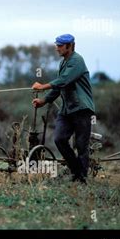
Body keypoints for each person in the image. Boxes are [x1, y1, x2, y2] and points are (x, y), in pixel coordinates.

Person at [31, 34, 95, 183]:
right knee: (59, 139)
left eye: (60, 45)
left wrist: (42, 86)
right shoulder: (63, 63)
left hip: (81, 109)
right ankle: (76, 172)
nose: (57, 48)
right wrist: (44, 101)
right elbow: (60, 86)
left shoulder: (77, 61)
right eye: (57, 45)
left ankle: (82, 180)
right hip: (67, 110)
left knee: (81, 146)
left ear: (70, 46)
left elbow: (64, 80)